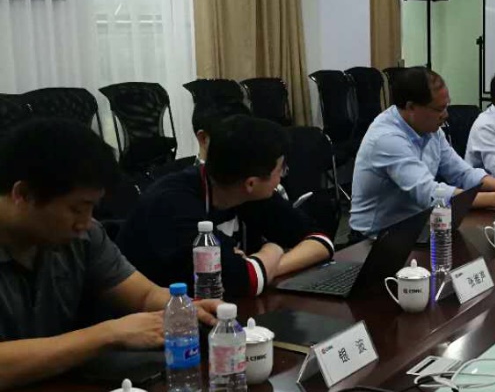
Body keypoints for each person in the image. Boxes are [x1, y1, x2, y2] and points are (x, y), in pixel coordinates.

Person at [0, 119, 220, 390]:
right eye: (76, 209)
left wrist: (186, 309)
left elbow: (143, 295)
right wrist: (107, 334)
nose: (85, 223)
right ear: (23, 194)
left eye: (92, 208)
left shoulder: (83, 236)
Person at [119, 116, 335, 299]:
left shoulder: (250, 191)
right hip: (159, 321)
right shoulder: (172, 204)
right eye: (280, 170)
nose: (282, 177)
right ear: (251, 183)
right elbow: (234, 284)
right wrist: (273, 249)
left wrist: (267, 265)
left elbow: (321, 242)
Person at [349, 67, 495, 237]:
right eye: (439, 109)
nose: (446, 115)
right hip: (374, 238)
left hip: (417, 226)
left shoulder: (430, 128)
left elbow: (462, 173)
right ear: (411, 107)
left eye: (447, 106)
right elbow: (430, 194)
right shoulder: (387, 139)